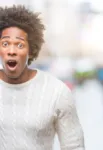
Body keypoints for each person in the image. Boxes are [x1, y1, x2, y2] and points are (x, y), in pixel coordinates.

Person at [0, 5, 84, 150]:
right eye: (5, 44)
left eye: (19, 45)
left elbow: (74, 146)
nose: (11, 51)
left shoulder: (57, 92)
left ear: (31, 51)